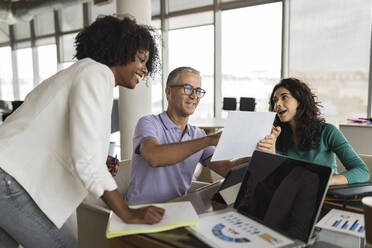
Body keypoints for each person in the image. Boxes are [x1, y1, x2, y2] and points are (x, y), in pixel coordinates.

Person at [0, 15, 165, 248]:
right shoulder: (96, 74)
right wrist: (128, 213)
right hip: (8, 180)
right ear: (120, 51)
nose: (145, 69)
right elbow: (86, 162)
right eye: (140, 59)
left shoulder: (83, 72)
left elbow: (70, 142)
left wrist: (99, 158)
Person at [125, 66, 279, 205]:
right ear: (169, 92)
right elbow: (154, 157)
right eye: (188, 88)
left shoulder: (197, 134)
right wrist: (209, 140)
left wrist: (259, 153)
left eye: (198, 91)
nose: (194, 96)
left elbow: (227, 168)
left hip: (175, 211)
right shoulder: (149, 123)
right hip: (140, 212)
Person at [269, 77, 370, 185]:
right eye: (275, 100)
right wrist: (270, 152)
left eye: (284, 97)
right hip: (293, 196)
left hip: (326, 195)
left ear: (300, 100)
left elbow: (362, 171)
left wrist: (325, 180)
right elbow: (276, 177)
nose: (277, 104)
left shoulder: (327, 131)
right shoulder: (276, 135)